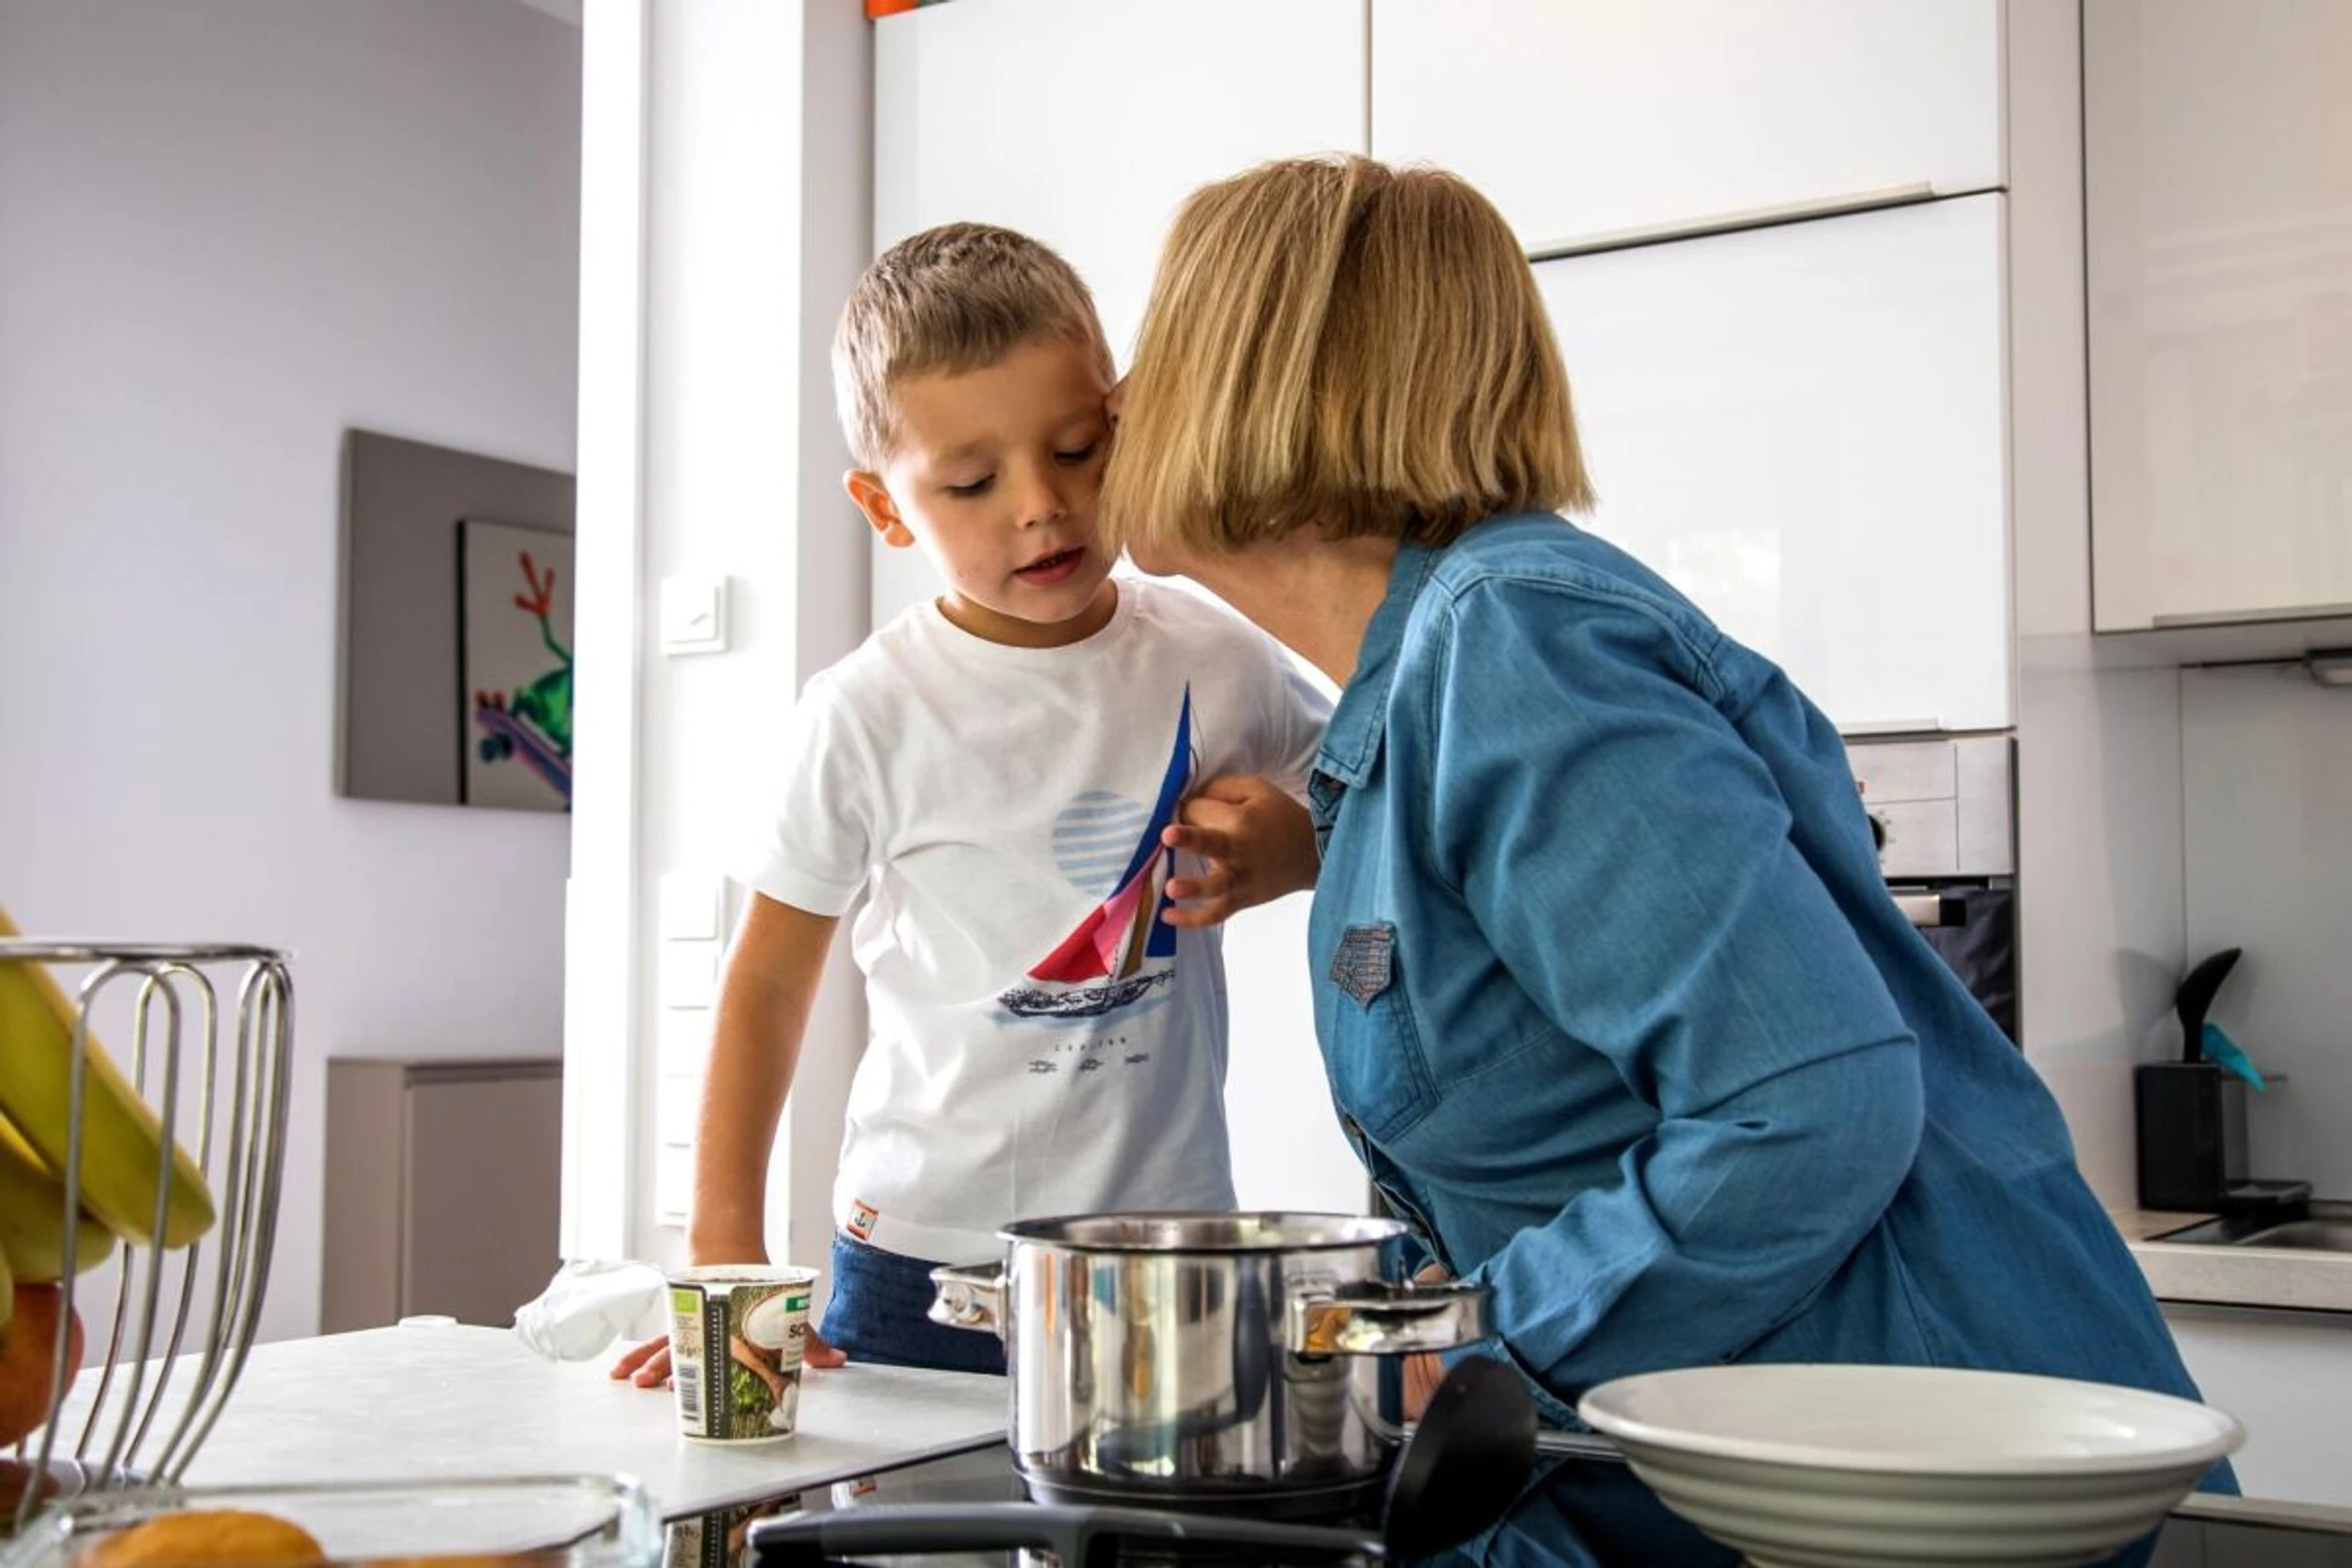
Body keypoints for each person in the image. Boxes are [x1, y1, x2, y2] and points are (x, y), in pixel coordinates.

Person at [1095, 153, 2229, 1567]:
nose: (1119, 397)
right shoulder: (1420, 691)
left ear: (1260, 373)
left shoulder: (1514, 643)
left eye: (1160, 342)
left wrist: (1457, 1346)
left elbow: (1803, 1108)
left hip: (1930, 1501)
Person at [613, 222, 1328, 1382]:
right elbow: (766, 984)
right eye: (972, 482)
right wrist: (725, 1258)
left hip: (1170, 1257)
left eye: (1080, 451)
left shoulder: (1219, 654)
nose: (1041, 506)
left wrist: (1300, 850)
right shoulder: (865, 713)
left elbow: (1393, 789)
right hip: (918, 1269)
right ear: (886, 508)